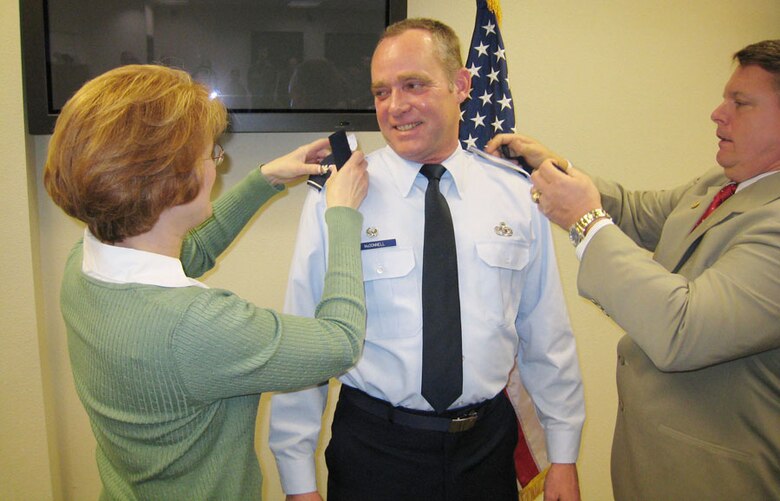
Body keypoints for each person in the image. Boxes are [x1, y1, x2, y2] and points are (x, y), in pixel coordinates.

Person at [269, 18, 585, 501]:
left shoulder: (516, 193)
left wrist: (563, 455)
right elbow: (303, 342)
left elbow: (545, 331)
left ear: (461, 86)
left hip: (486, 449)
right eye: (381, 92)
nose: (395, 107)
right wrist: (297, 480)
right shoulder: (339, 196)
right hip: (375, 450)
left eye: (413, 85)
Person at [43, 64, 369, 500]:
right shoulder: (197, 326)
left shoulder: (83, 266)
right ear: (171, 180)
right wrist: (343, 214)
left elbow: (187, 251)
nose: (218, 164)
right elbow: (341, 342)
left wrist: (266, 178)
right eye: (212, 154)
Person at [486, 39, 780, 500]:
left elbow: (683, 329)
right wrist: (555, 168)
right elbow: (639, 211)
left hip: (719, 480)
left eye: (740, 103)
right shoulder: (725, 181)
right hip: (653, 466)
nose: (718, 113)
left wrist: (584, 222)